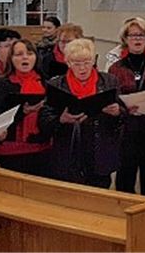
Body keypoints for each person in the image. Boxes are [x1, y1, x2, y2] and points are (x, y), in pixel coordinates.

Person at [39, 38, 124, 188]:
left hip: (99, 152)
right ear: (68, 63)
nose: (82, 68)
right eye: (76, 64)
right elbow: (44, 120)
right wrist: (61, 119)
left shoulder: (110, 81)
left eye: (86, 62)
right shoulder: (56, 84)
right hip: (69, 150)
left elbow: (123, 117)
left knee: (99, 197)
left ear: (94, 61)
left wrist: (117, 112)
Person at [109, 17, 145, 196]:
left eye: (141, 35)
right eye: (133, 35)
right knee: (125, 177)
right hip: (126, 129)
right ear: (125, 39)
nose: (137, 39)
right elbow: (112, 97)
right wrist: (124, 109)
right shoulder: (115, 68)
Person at [0, 39, 52, 176]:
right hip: (10, 151)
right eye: (19, 54)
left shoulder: (46, 83)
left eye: (29, 53)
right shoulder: (1, 85)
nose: (25, 57)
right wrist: (23, 112)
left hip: (43, 149)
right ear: (11, 59)